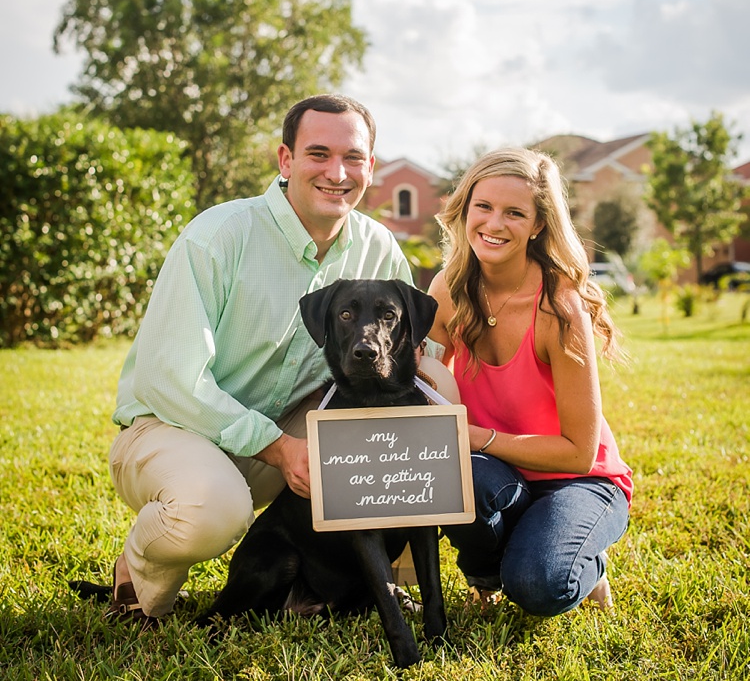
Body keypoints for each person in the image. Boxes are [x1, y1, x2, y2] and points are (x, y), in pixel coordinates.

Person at [108, 94, 431, 624]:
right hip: (171, 426)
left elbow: (412, 353)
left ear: (371, 167)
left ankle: (389, 582)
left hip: (283, 429)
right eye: (318, 154)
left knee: (408, 440)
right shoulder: (219, 236)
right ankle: (136, 573)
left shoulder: (378, 248)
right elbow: (168, 378)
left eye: (353, 157)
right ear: (286, 160)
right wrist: (278, 447)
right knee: (213, 511)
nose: (337, 172)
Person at [428, 147, 632, 616]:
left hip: (578, 481)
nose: (494, 224)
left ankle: (587, 561)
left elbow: (579, 451)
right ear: (466, 209)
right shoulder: (448, 290)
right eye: (484, 207)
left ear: (538, 225)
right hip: (498, 475)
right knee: (457, 475)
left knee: (539, 585)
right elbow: (422, 378)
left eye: (515, 213)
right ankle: (487, 569)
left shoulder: (559, 308)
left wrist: (475, 437)